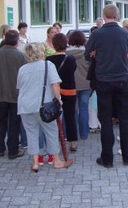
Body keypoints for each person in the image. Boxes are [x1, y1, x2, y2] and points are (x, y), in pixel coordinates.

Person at [84, 4, 128, 168]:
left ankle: (107, 159)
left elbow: (87, 54)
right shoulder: (124, 33)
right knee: (125, 119)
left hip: (104, 80)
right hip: (122, 79)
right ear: (117, 16)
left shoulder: (97, 33)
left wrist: (96, 53)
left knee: (105, 120)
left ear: (103, 16)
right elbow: (124, 51)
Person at [17, 42, 73, 172]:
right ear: (41, 52)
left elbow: (20, 87)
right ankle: (57, 161)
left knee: (31, 134)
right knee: (51, 132)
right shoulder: (48, 65)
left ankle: (35, 163)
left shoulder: (22, 69)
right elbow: (55, 84)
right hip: (44, 106)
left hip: (25, 106)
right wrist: (58, 99)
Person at [0, 30, 27, 159]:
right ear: (16, 41)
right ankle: (13, 150)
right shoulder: (20, 56)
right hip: (15, 94)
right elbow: (25, 75)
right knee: (14, 122)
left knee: (1, 121)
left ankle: (0, 148)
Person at [46, 33, 78, 152]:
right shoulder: (70, 59)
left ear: (53, 45)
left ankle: (56, 141)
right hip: (69, 90)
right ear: (66, 44)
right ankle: (73, 143)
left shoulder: (48, 60)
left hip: (54, 92)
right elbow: (73, 71)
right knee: (70, 117)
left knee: (54, 117)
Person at [66, 30, 92, 140]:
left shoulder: (66, 53)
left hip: (71, 84)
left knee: (73, 110)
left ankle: (73, 133)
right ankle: (84, 134)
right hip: (86, 84)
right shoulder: (87, 53)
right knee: (84, 109)